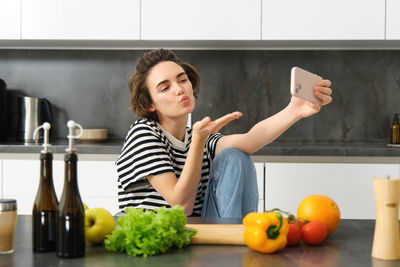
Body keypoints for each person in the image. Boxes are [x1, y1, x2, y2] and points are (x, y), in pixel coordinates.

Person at [116, 49, 332, 217]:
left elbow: (249, 141)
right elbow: (181, 206)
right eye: (165, 87)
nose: (179, 89)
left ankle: (237, 243)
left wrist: (293, 110)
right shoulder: (144, 134)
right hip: (155, 245)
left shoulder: (196, 136)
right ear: (149, 104)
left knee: (235, 156)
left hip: (198, 235)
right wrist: (199, 142)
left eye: (182, 80)